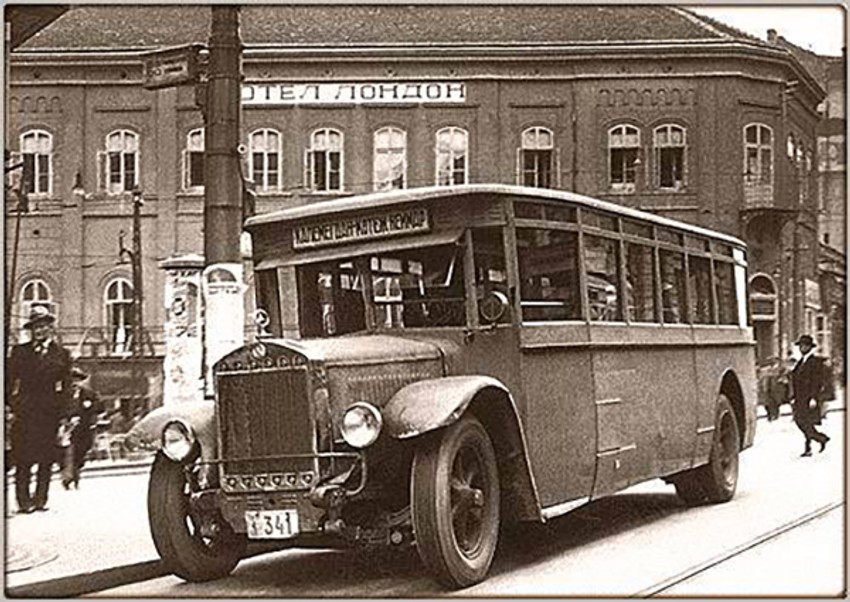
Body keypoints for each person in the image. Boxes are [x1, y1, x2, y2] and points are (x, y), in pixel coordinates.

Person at [6, 306, 72, 513]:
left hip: (49, 413)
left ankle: (40, 499)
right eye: (36, 327)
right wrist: (8, 405)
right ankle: (24, 501)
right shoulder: (19, 352)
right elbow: (8, 381)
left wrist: (66, 415)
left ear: (50, 329)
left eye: (44, 327)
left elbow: (67, 386)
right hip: (24, 412)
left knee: (46, 459)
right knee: (23, 458)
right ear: (31, 330)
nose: (40, 331)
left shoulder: (61, 354)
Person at [789, 334, 832, 457]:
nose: (802, 348)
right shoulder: (801, 362)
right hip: (799, 397)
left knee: (805, 422)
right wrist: (793, 397)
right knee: (801, 421)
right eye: (800, 346)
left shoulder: (814, 362)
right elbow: (795, 380)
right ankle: (819, 439)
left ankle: (814, 443)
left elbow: (816, 381)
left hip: (808, 397)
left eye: (804, 346)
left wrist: (814, 397)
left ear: (809, 347)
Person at [61, 367, 101, 489]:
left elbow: (96, 410)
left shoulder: (89, 394)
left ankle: (76, 474)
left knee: (80, 453)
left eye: (78, 379)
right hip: (66, 429)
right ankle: (67, 477)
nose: (75, 382)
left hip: (83, 429)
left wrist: (92, 423)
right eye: (72, 379)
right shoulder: (63, 394)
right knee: (66, 453)